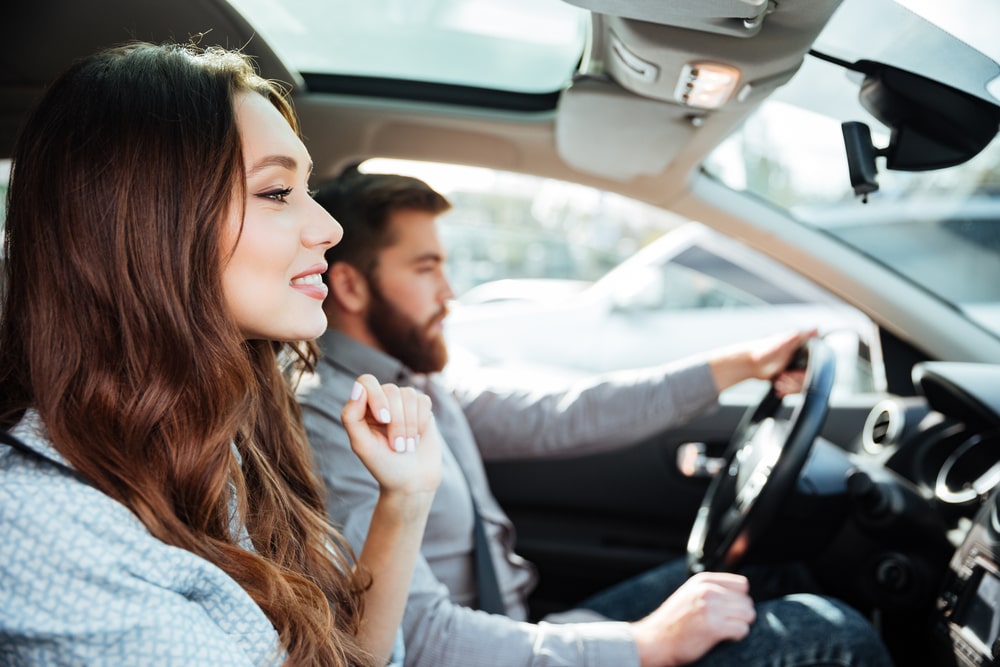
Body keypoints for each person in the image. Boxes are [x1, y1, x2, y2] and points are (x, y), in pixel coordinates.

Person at [297, 167, 894, 667]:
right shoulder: (331, 420)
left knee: (772, 567)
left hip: (517, 630)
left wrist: (740, 364)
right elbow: (418, 640)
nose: (450, 292)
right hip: (475, 652)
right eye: (426, 268)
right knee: (832, 635)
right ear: (349, 286)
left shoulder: (413, 383)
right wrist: (643, 645)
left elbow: (565, 415)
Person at [0, 43, 441, 667]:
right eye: (277, 192)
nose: (329, 227)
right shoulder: (39, 522)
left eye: (304, 187)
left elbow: (340, 657)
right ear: (151, 221)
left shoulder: (226, 433)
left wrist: (405, 499)